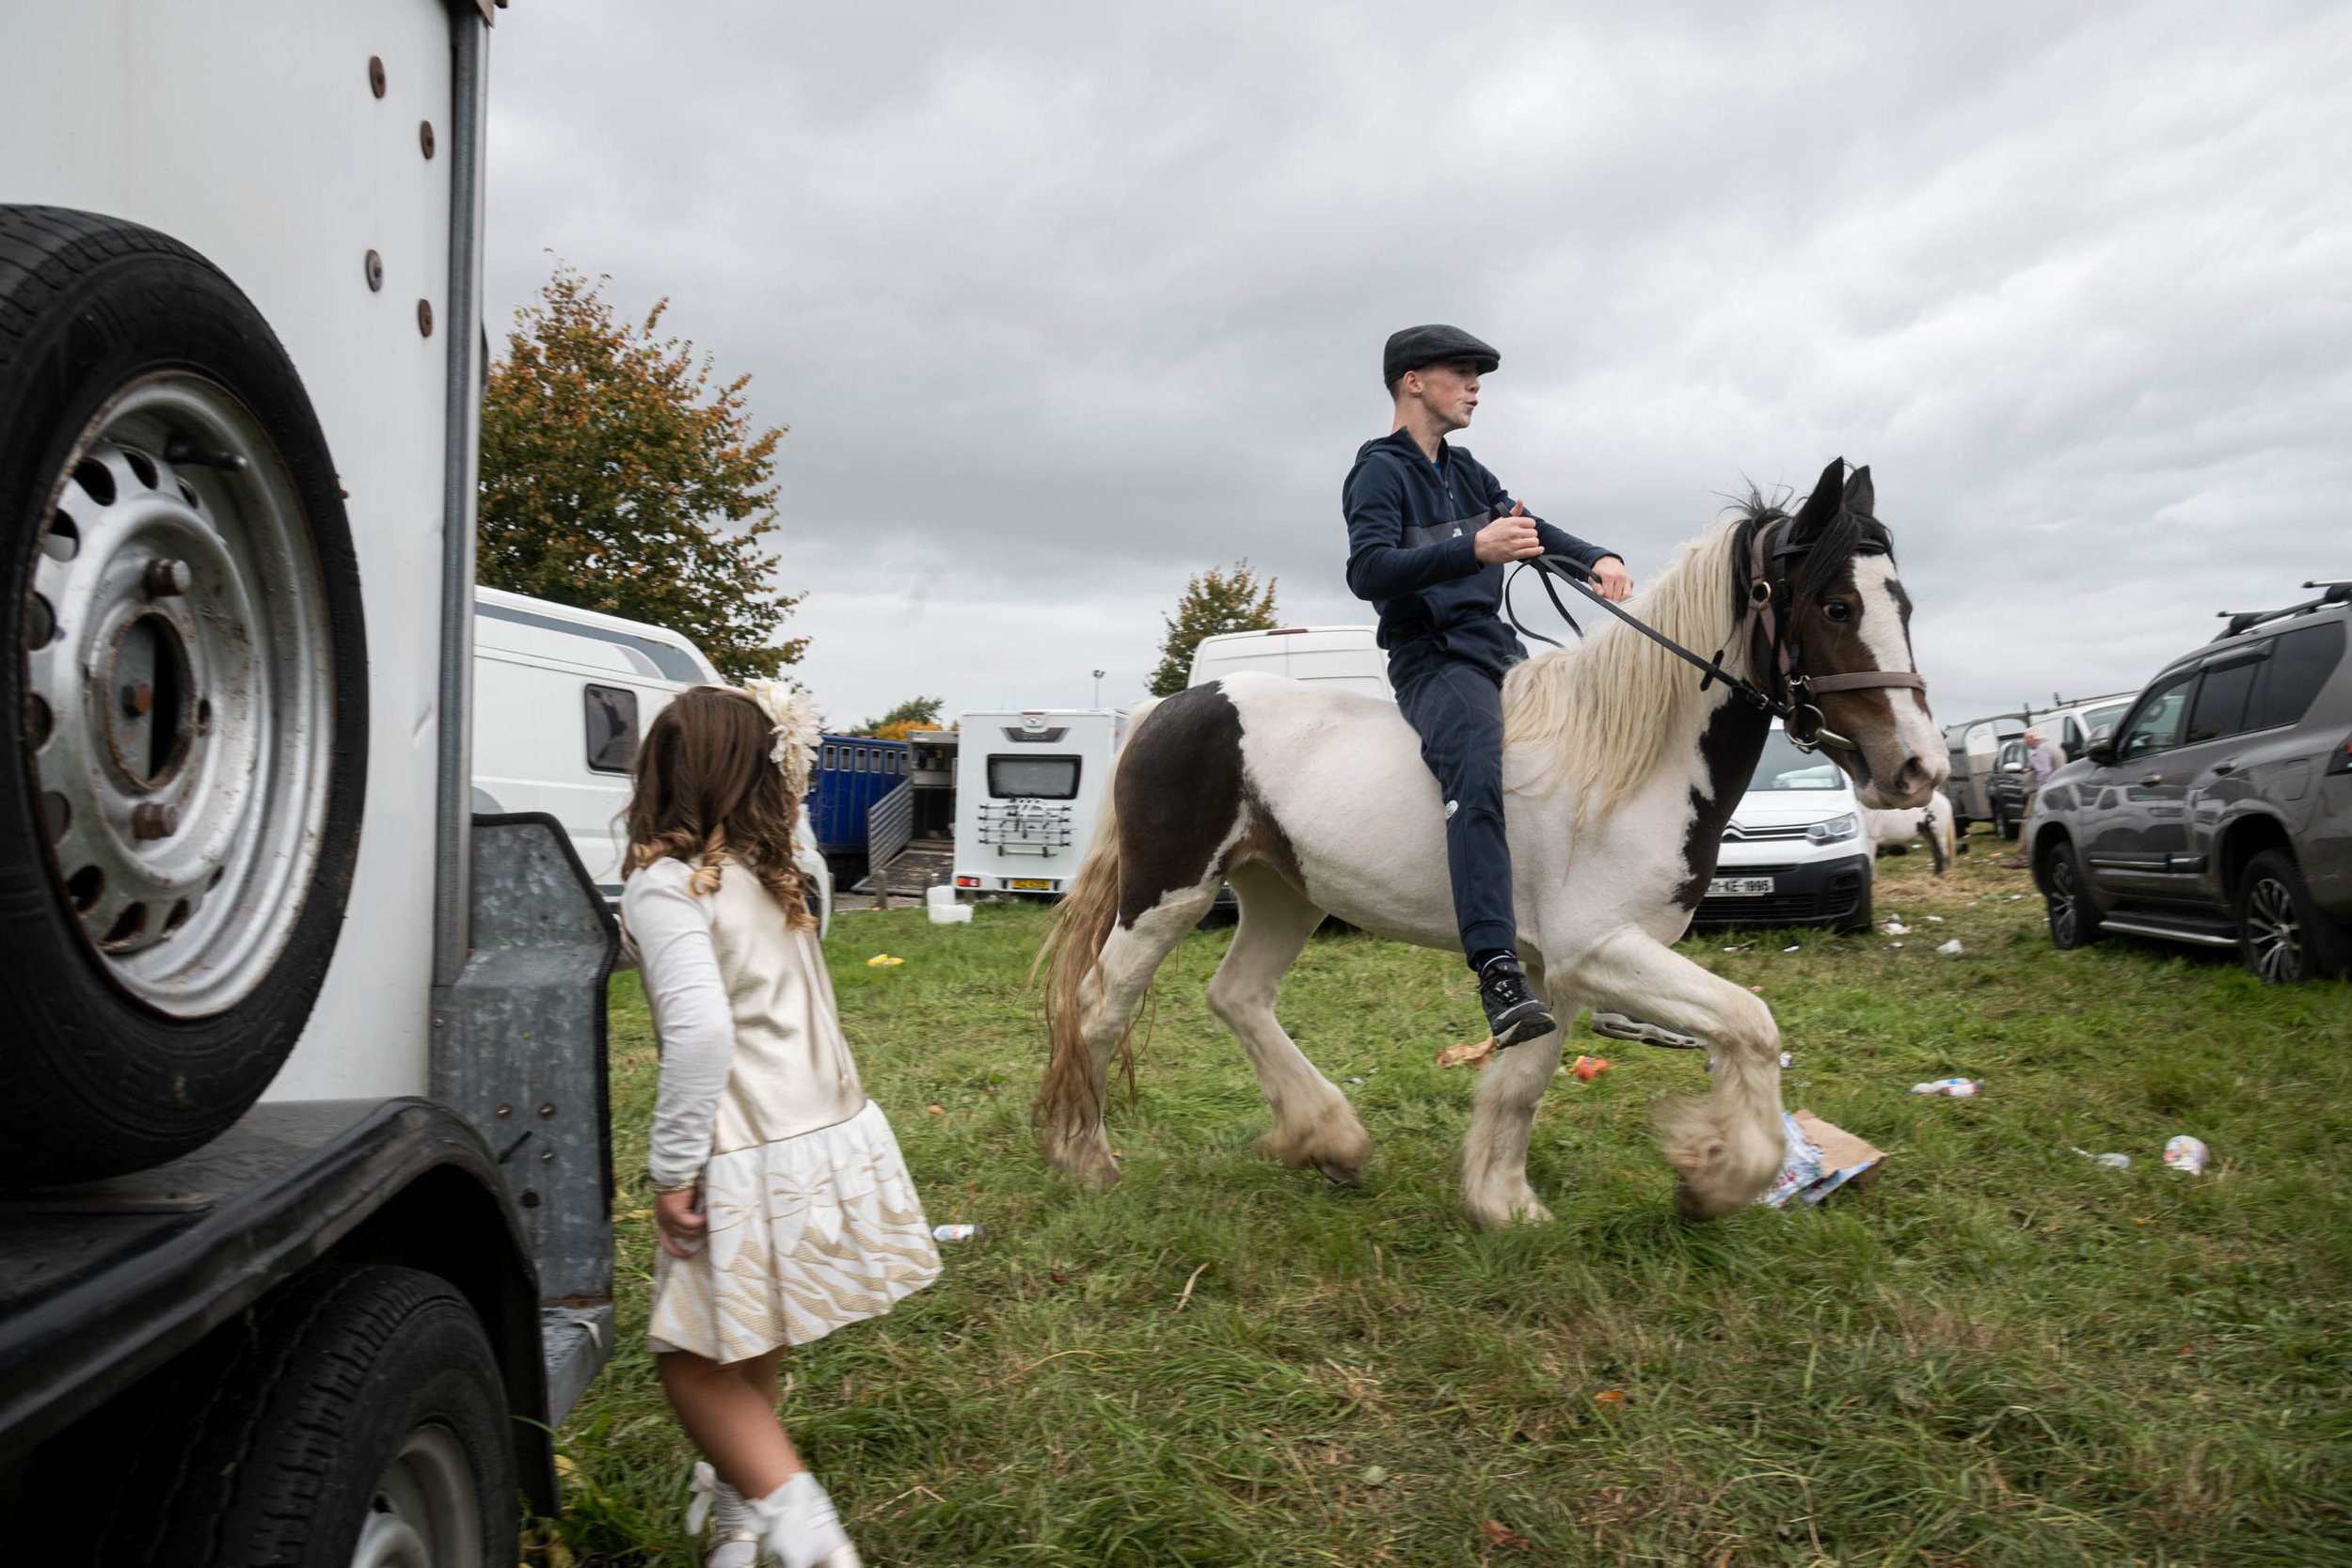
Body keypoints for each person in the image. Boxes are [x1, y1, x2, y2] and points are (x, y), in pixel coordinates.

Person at [622, 683, 941, 1568]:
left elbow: (700, 1032)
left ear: (662, 769)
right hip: (828, 1125)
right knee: (743, 1333)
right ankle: (740, 1521)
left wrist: (672, 1168)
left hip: (745, 1145)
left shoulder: (667, 886)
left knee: (689, 1360)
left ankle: (807, 1534)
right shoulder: (778, 870)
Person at [1343, 325, 1632, 1047]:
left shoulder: (1468, 470)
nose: (1475, 385)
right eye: (1462, 371)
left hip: (1497, 650)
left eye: (1478, 375)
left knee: (1589, 755)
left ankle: (1605, 958)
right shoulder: (1378, 471)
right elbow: (1367, 571)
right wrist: (1472, 547)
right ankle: (1499, 971)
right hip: (1432, 658)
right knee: (1476, 763)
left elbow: (1526, 528)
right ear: (1413, 381)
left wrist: (1595, 556)